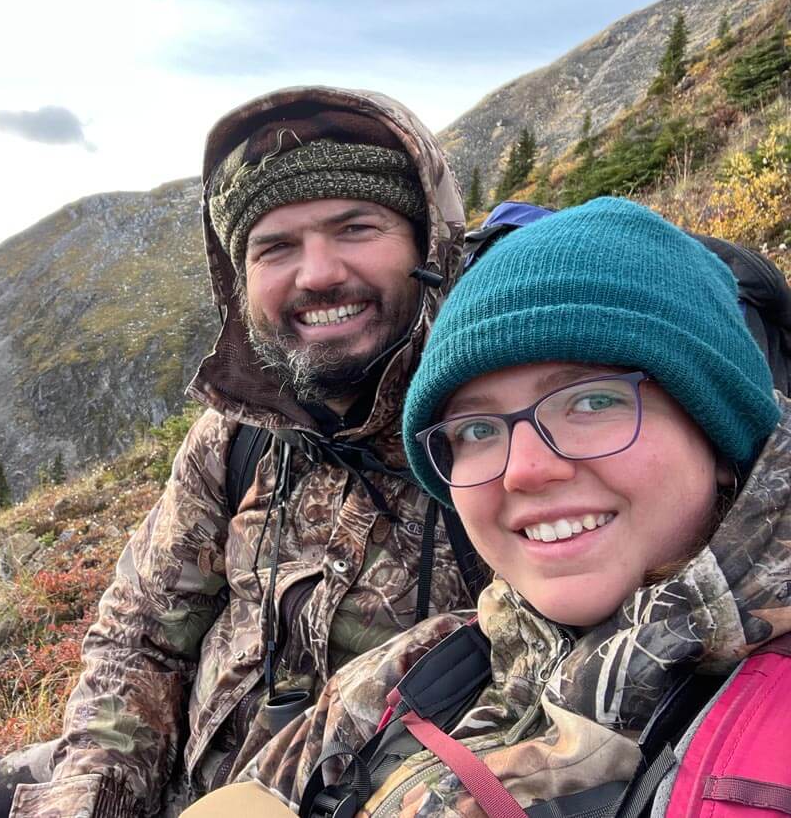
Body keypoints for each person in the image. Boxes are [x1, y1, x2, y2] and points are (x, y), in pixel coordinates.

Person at [0, 86, 478, 818]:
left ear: (427, 246)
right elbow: (139, 637)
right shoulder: (236, 439)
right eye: (275, 247)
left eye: (355, 227)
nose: (317, 273)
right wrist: (91, 800)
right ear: (240, 280)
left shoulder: (493, 442)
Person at [185, 196, 791, 816]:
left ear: (719, 432)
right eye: (477, 429)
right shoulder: (426, 664)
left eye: (592, 402)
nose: (525, 469)